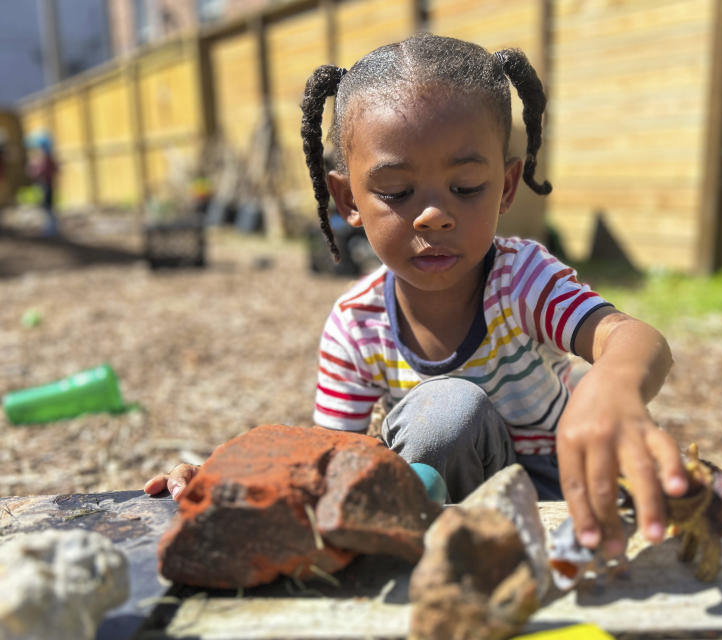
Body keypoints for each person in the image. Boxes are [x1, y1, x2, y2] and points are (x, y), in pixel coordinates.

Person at [145, 33, 688, 558]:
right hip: (431, 506)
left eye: (466, 187)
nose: (434, 214)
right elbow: (332, 458)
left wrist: (612, 386)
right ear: (347, 199)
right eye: (398, 192)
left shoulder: (523, 280)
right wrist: (236, 475)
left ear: (504, 186)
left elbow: (635, 340)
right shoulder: (356, 325)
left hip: (557, 489)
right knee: (446, 414)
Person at [26, 132, 59, 237]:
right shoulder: (47, 158)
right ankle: (51, 227)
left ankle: (51, 228)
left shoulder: (45, 159)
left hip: (46, 185)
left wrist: (33, 170)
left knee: (47, 207)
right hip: (47, 185)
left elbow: (40, 172)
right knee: (47, 207)